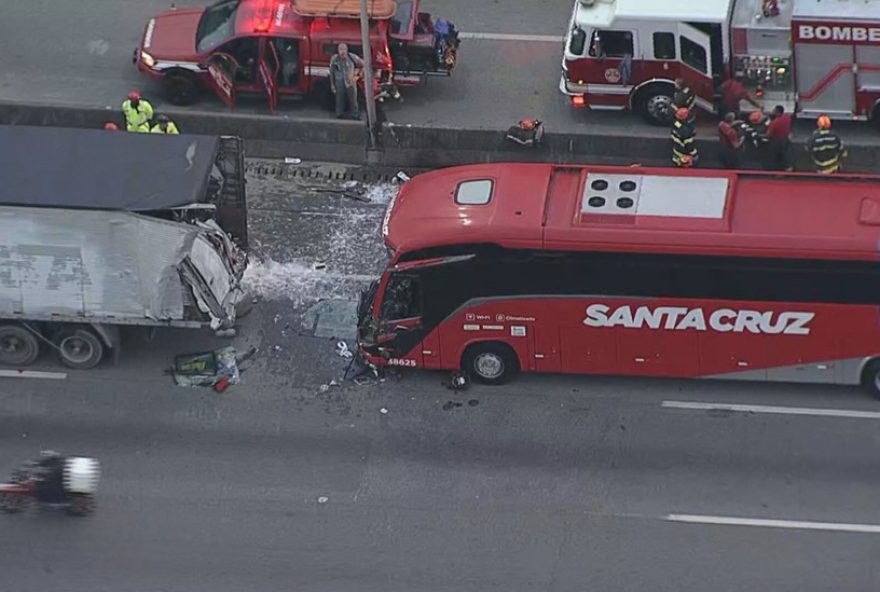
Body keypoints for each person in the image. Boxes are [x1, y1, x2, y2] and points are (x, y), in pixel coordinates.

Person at [329, 43, 364, 120]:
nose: (342, 52)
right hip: (339, 83)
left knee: (353, 100)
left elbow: (363, 64)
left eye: (344, 49)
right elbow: (331, 72)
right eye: (340, 50)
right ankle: (339, 114)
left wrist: (358, 76)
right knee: (339, 99)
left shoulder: (352, 57)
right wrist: (332, 84)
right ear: (338, 51)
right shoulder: (334, 59)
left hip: (350, 83)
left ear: (347, 50)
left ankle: (355, 115)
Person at [766, 104, 794, 171]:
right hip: (785, 139)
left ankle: (779, 171)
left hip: (777, 141)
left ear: (778, 113)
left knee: (777, 156)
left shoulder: (774, 123)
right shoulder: (787, 117)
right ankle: (789, 167)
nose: (772, 112)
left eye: (774, 111)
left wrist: (759, 135)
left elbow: (768, 135)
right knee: (785, 154)